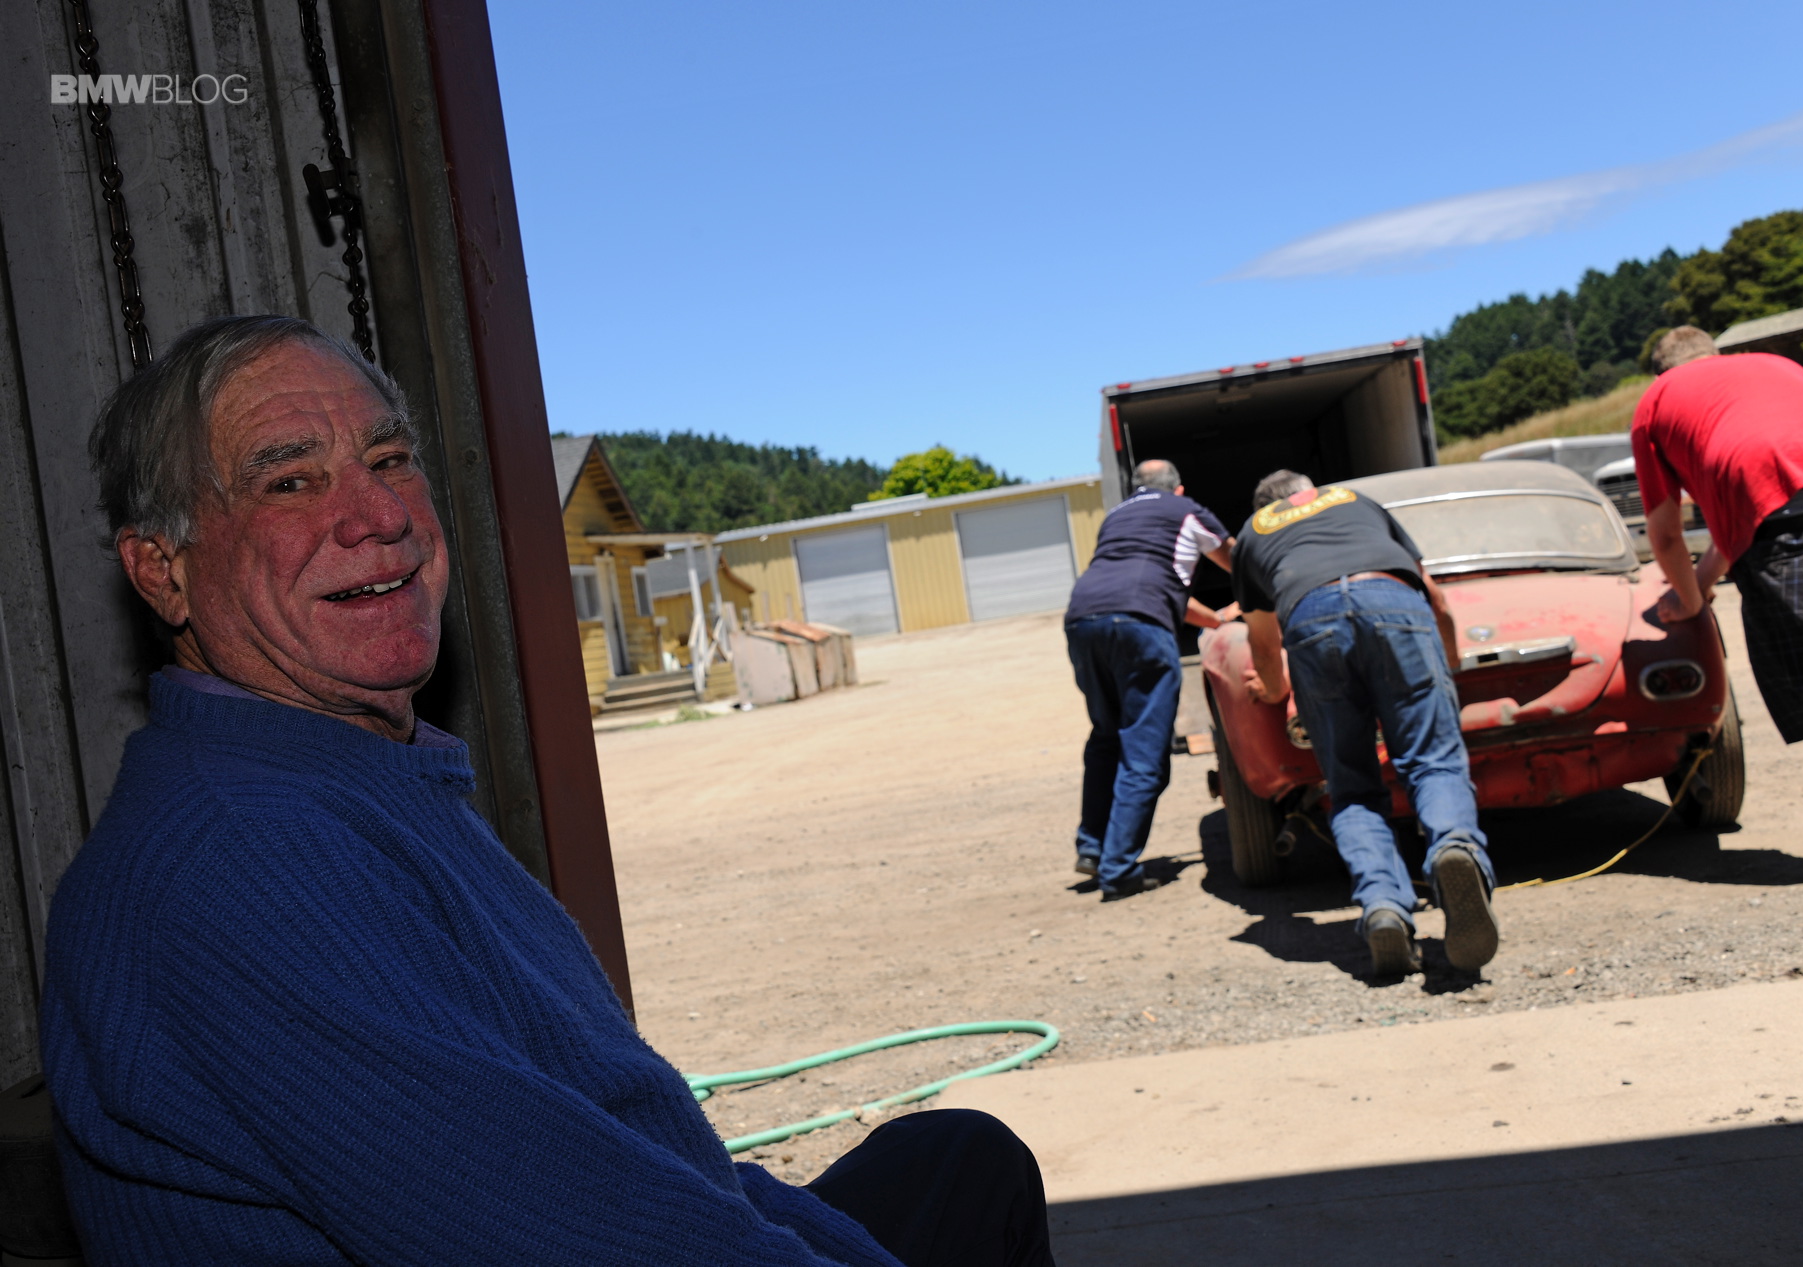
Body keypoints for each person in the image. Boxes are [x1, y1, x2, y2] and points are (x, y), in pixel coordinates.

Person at [41, 315, 1054, 1267]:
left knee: (960, 1159)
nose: (381, 516)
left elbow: (626, 1159)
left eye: (389, 460)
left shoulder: (341, 780)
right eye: (290, 482)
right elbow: (584, 1236)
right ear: (162, 571)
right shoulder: (244, 864)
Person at [1634, 326, 1803, 882]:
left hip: (1788, 530)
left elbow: (1665, 534)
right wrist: (1702, 583)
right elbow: (1749, 516)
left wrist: (1689, 602)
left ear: (1661, 372)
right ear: (1716, 355)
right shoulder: (1774, 367)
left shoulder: (1658, 401)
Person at [1230, 470, 1498, 975]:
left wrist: (1274, 690)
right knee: (1434, 761)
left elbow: (1263, 643)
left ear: (1266, 506)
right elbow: (1435, 596)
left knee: (1351, 785)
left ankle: (1383, 907)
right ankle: (1453, 848)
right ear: (1310, 490)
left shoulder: (1254, 532)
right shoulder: (1355, 500)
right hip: (1393, 602)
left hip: (1311, 617)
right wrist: (1449, 662)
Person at [1062, 460, 1235, 900]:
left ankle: (1093, 847)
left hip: (1083, 621)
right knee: (1144, 750)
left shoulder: (1117, 517)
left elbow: (1160, 590)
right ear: (1178, 489)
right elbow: (1239, 562)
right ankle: (1119, 870)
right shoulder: (1186, 511)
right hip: (1140, 627)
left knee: (1106, 736)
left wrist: (1216, 620)